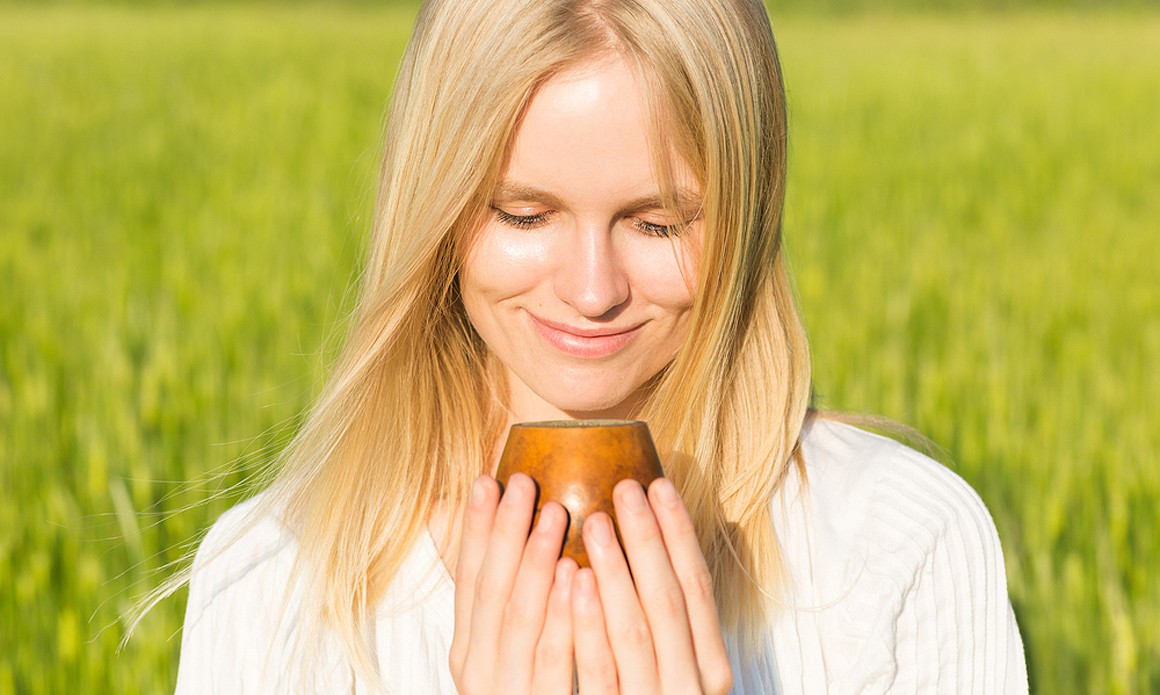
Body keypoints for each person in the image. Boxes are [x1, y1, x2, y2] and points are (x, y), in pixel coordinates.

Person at [169, 0, 1028, 692]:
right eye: (524, 214)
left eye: (657, 223)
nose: (591, 290)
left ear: (747, 214)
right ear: (434, 209)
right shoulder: (273, 585)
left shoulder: (898, 554)